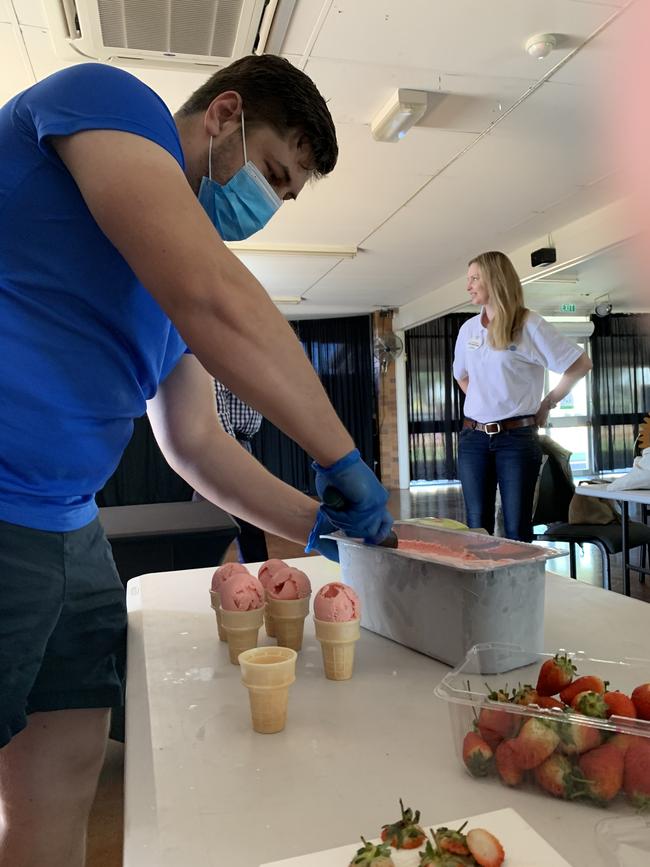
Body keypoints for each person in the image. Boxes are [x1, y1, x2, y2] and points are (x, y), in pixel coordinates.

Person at [0, 56, 393, 867]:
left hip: (74, 535)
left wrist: (318, 523)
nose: (264, 205)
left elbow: (195, 444)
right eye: (272, 172)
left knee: (64, 777)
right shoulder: (108, 100)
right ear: (223, 115)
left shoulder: (165, 284)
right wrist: (339, 450)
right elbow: (211, 292)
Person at [453, 251, 592, 542]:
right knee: (476, 528)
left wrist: (548, 403)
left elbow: (580, 364)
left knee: (517, 528)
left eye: (475, 278)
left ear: (495, 279)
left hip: (516, 438)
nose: (469, 286)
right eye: (468, 279)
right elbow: (461, 375)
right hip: (473, 438)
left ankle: (518, 587)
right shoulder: (468, 330)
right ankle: (481, 586)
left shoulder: (529, 324)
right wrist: (485, 399)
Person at [194, 380, 270, 562]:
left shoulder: (251, 364)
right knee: (240, 516)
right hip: (225, 443)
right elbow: (216, 414)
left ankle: (256, 571)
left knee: (246, 517)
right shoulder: (218, 364)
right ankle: (198, 571)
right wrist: (232, 455)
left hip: (241, 442)